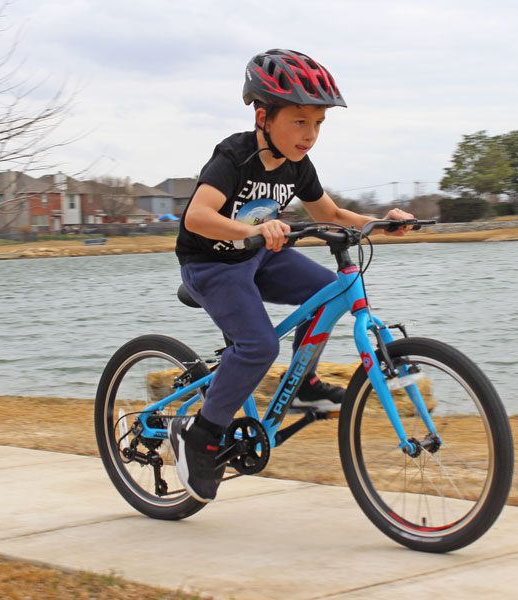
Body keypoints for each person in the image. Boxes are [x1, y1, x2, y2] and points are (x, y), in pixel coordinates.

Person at [170, 49, 414, 503]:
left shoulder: (298, 166)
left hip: (259, 257)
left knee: (328, 292)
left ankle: (302, 384)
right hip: (211, 263)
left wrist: (382, 221)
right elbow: (197, 217)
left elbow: (332, 213)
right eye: (300, 122)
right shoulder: (235, 156)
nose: (311, 135)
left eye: (319, 123)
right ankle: (199, 435)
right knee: (259, 345)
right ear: (263, 116)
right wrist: (253, 229)